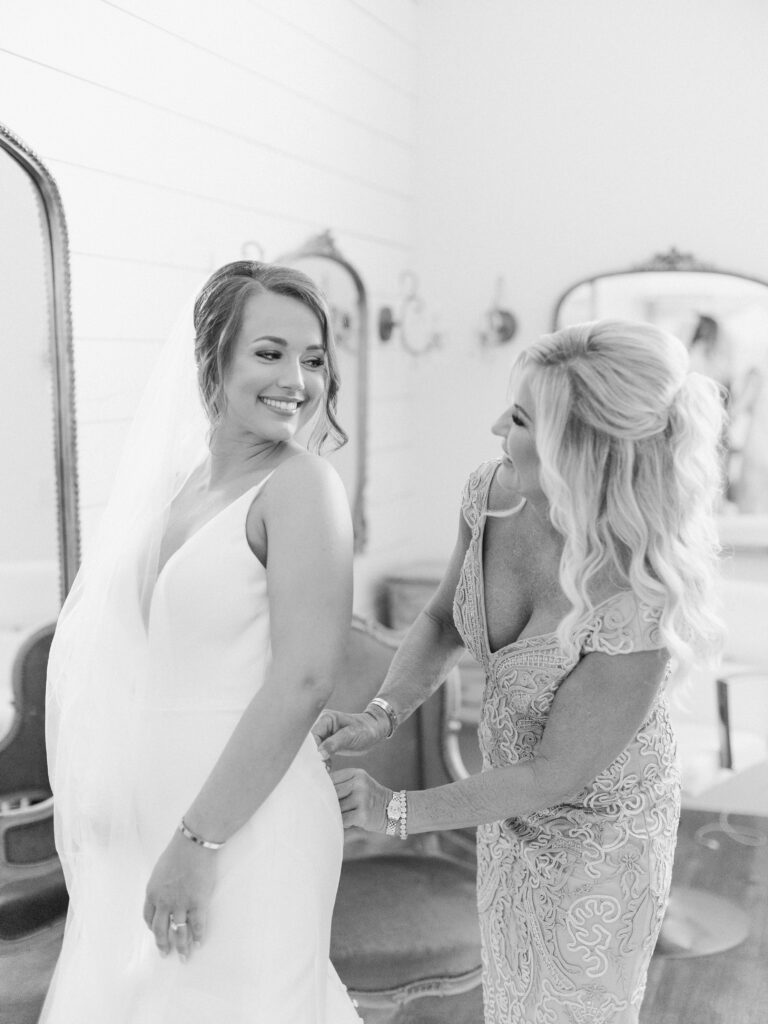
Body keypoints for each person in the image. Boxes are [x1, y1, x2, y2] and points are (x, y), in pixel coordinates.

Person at [314, 319, 724, 1024]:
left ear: (579, 449)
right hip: (508, 817)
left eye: (522, 417)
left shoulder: (638, 602)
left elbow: (553, 775)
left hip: (602, 840)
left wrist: (396, 810)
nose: (496, 423)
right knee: (511, 1000)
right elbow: (443, 620)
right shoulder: (492, 494)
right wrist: (380, 714)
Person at [42, 262, 361, 1022]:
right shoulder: (183, 487)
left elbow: (306, 679)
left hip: (243, 827)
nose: (297, 379)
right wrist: (107, 793)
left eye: (313, 359)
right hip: (149, 817)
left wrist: (197, 844)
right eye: (270, 352)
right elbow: (137, 669)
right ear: (212, 359)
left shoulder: (303, 487)